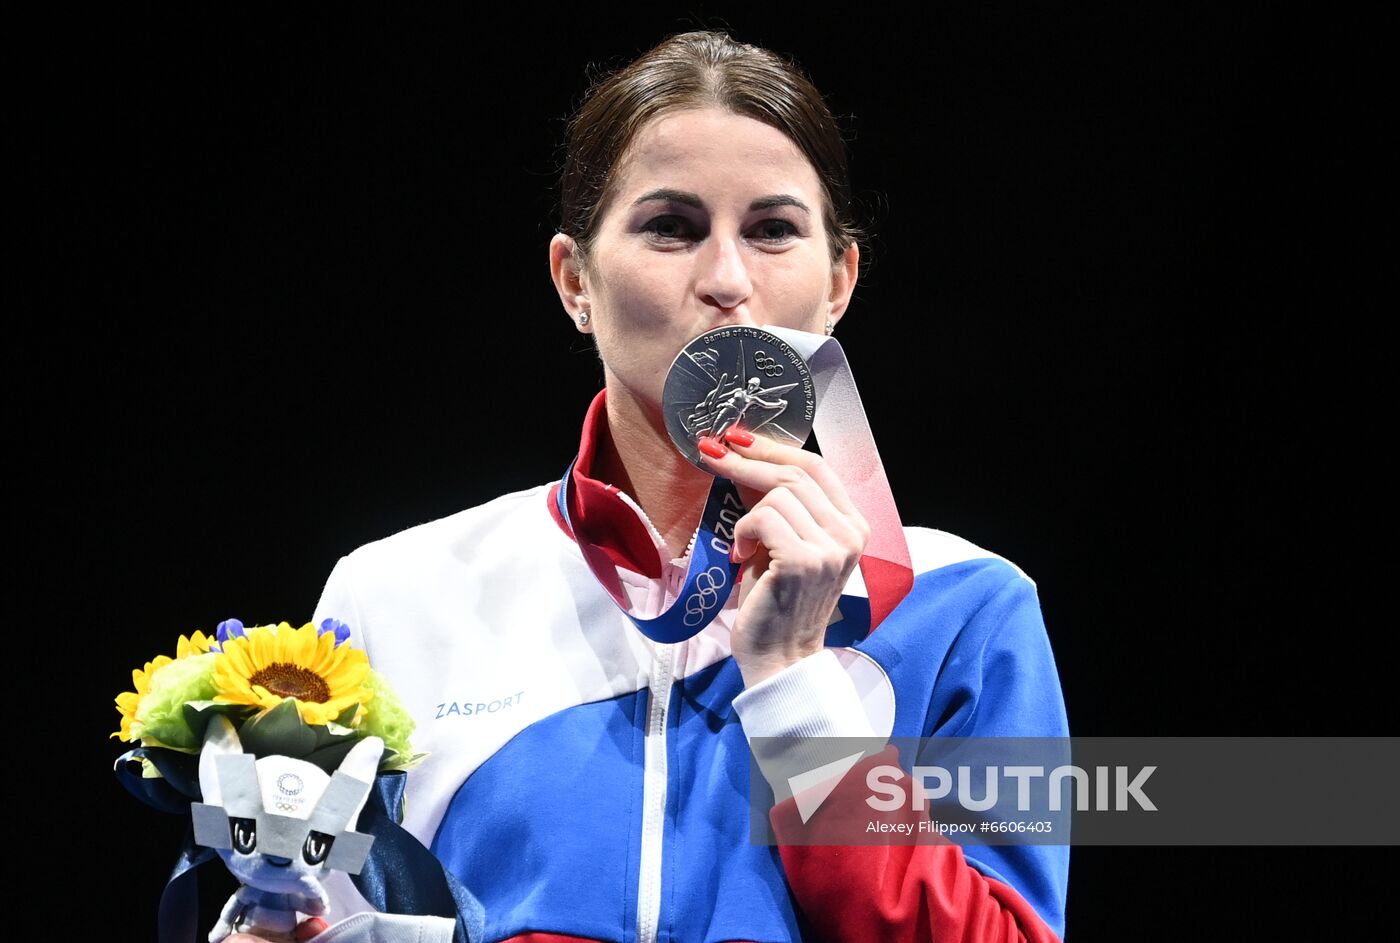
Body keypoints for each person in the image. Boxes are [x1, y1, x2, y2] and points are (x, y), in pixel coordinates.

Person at [235, 28, 1070, 943]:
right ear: (574, 280)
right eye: (669, 227)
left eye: (773, 231)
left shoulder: (967, 608)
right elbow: (326, 913)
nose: (725, 279)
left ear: (839, 283)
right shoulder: (396, 592)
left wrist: (796, 687)